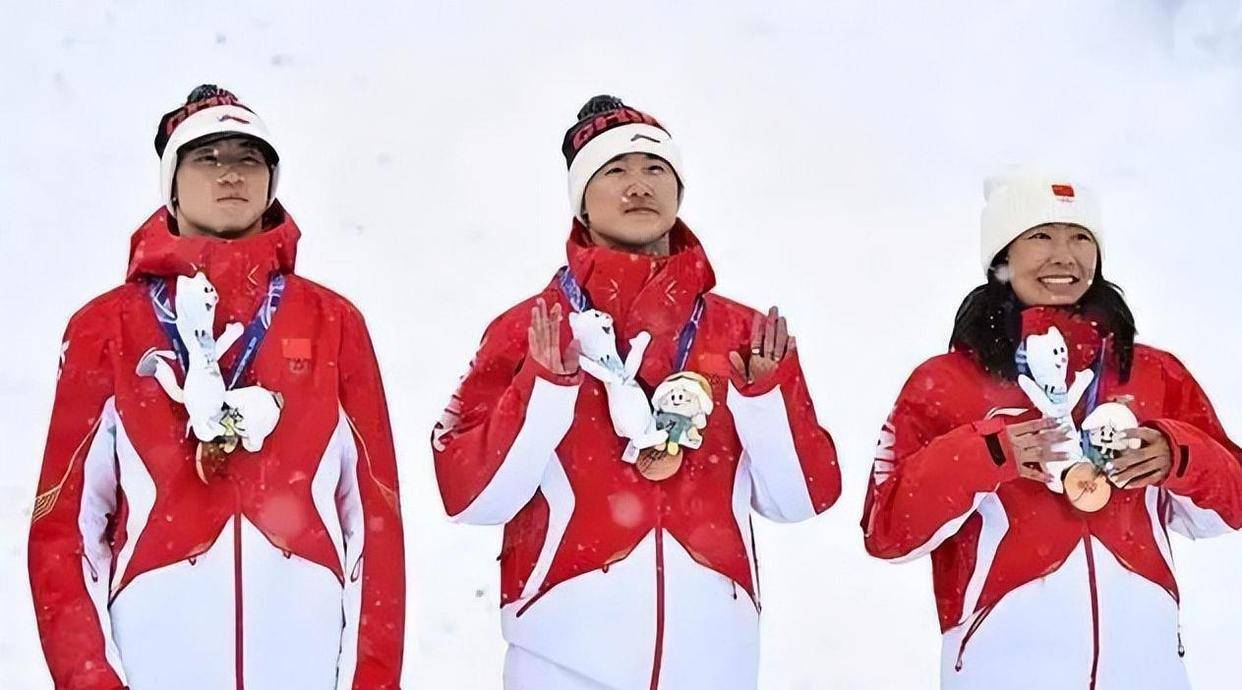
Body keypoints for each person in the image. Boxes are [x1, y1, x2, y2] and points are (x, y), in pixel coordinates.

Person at [431, 95, 841, 690]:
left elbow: (801, 499)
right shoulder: (531, 329)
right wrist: (544, 391)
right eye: (614, 170)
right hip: (561, 659)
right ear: (580, 200)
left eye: (655, 169)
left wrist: (765, 400)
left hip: (714, 661)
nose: (638, 185)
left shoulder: (743, 334)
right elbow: (469, 498)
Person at [28, 85, 405, 690]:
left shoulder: (333, 323)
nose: (231, 173)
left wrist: (373, 679)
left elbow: (374, 517)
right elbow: (65, 526)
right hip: (156, 644)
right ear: (171, 184)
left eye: (249, 158)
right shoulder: (105, 327)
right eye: (208, 157)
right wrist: (88, 678)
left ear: (272, 181)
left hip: (303, 645)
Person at [861, 170, 1242, 690]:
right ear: (1002, 255)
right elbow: (888, 533)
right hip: (1003, 671)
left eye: (1081, 237)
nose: (1065, 256)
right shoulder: (946, 383)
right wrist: (986, 455)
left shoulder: (1154, 374)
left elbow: (1231, 506)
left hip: (1147, 672)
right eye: (1041, 235)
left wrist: (1179, 456)